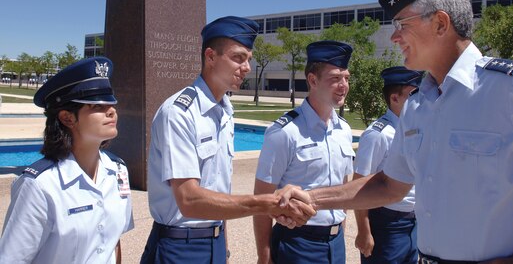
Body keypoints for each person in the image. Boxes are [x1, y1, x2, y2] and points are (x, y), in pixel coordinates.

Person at [278, 0, 513, 263]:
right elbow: (389, 185)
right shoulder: (418, 105)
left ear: (441, 24)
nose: (394, 37)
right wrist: (312, 198)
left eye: (403, 25)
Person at [140, 16, 314, 264]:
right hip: (179, 248)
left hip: (216, 242)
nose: (247, 68)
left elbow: (218, 190)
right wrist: (268, 203)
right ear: (210, 57)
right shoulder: (179, 113)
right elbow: (189, 200)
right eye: (238, 58)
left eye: (249, 60)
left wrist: (225, 247)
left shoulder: (225, 111)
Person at [0, 57, 134, 264]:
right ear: (67, 118)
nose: (111, 110)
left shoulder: (118, 171)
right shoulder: (39, 185)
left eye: (110, 102)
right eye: (96, 105)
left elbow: (113, 244)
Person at [253, 40, 355, 264]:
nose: (343, 85)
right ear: (312, 80)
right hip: (297, 244)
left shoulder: (344, 130)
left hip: (336, 244)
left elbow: (343, 189)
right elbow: (262, 199)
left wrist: (341, 232)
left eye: (346, 78)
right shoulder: (285, 132)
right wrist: (265, 255)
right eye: (335, 78)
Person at [353, 66, 422, 264]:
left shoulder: (414, 131)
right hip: (387, 224)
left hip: (413, 223)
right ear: (394, 98)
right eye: (413, 95)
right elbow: (360, 186)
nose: (418, 101)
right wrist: (364, 231)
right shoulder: (378, 135)